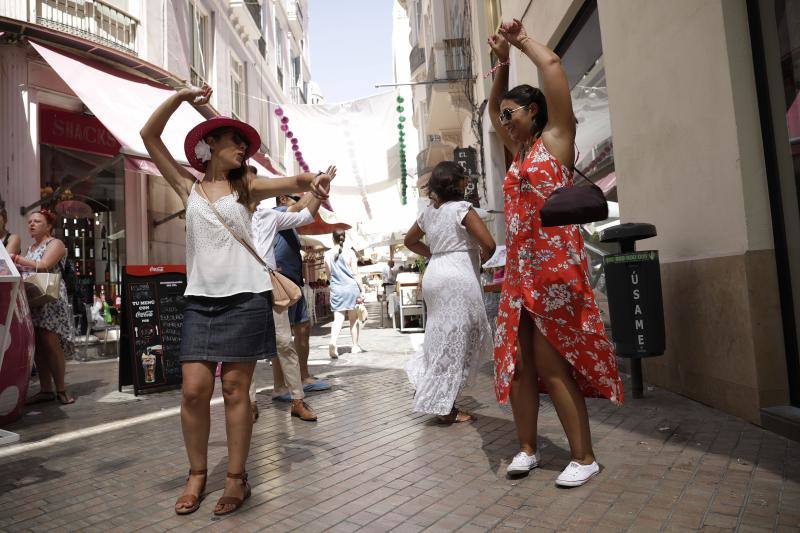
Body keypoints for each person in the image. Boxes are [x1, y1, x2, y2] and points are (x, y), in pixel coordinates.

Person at [140, 84, 332, 516]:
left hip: (246, 297)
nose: (243, 148)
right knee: (193, 391)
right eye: (236, 141)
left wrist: (312, 181)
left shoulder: (247, 187)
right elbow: (149, 136)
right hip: (200, 301)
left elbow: (294, 181)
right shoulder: (188, 187)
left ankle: (236, 478)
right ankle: (196, 473)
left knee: (234, 389)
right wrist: (181, 98)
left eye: (245, 143)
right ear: (210, 144)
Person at [487, 21, 623, 487]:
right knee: (520, 365)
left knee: (551, 364)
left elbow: (552, 65)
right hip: (519, 273)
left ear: (534, 111)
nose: (504, 121)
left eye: (512, 114)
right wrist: (500, 64)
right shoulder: (519, 152)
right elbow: (490, 108)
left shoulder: (556, 140)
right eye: (503, 117)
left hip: (554, 270)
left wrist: (520, 40)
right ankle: (527, 448)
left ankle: (584, 456)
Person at [404, 162, 496, 423]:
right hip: (458, 275)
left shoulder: (429, 213)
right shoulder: (462, 210)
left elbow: (409, 241)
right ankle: (445, 405)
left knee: (439, 335)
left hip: (435, 274)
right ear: (457, 183)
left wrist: (433, 254)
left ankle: (434, 391)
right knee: (462, 337)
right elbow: (488, 243)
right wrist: (481, 258)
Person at [249, 165, 337, 423]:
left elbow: (303, 216)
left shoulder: (267, 215)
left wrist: (320, 194)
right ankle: (250, 402)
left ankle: (297, 400)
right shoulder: (230, 213)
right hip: (242, 289)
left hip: (270, 287)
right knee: (247, 350)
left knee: (284, 343)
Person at [11, 209, 74, 405]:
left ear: (49, 226)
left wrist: (18, 260)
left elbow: (45, 264)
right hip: (35, 297)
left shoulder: (56, 243)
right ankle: (46, 389)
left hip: (51, 298)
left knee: (50, 342)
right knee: (38, 342)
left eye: (37, 221)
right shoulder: (30, 248)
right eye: (30, 221)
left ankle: (61, 389)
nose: (31, 224)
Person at [274, 194, 331, 392]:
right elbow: (298, 209)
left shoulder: (291, 227)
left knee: (303, 327)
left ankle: (303, 376)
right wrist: (314, 193)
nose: (298, 200)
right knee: (281, 336)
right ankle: (280, 386)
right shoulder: (278, 214)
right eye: (293, 198)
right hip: (281, 283)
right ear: (282, 199)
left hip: (295, 282)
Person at [324, 230, 364, 358]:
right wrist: (362, 289)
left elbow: (329, 275)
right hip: (351, 288)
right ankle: (355, 346)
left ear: (332, 238)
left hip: (337, 289)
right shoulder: (350, 253)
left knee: (338, 319)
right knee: (354, 319)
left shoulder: (327, 254)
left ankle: (333, 342)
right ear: (344, 238)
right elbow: (355, 273)